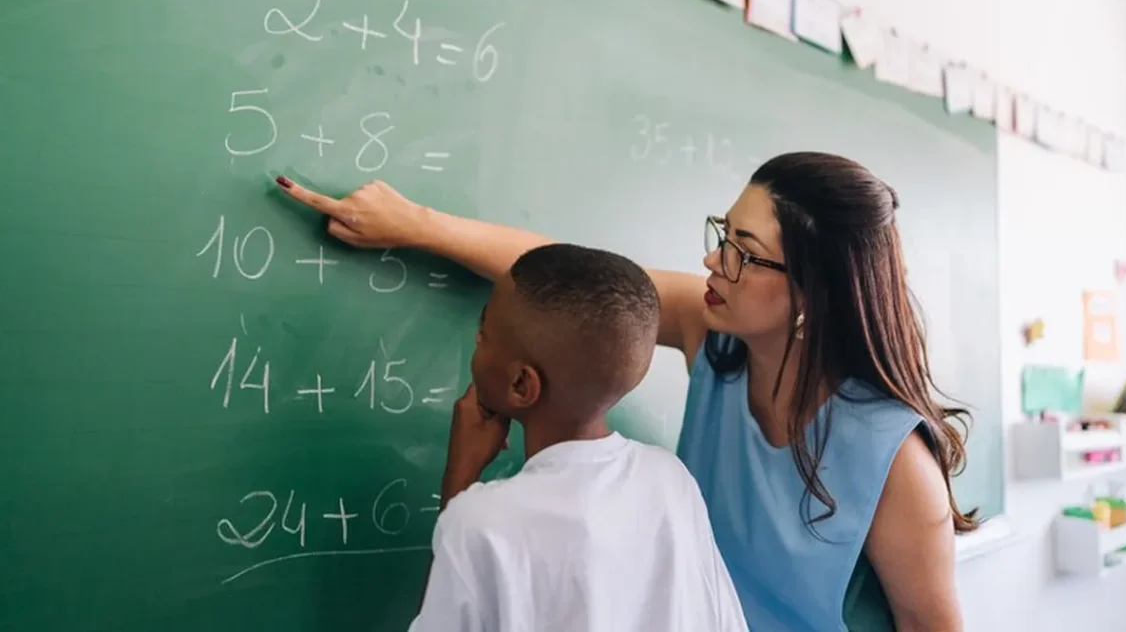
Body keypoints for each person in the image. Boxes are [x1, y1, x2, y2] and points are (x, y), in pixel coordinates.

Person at [274, 150, 975, 632]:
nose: (712, 259)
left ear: (809, 295)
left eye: (741, 249)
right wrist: (418, 227)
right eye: (720, 233)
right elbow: (576, 287)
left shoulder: (893, 460)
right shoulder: (717, 339)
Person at [404, 243, 747, 632]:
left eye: (484, 334)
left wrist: (460, 479)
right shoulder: (671, 480)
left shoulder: (481, 522)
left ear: (521, 384)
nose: (477, 341)